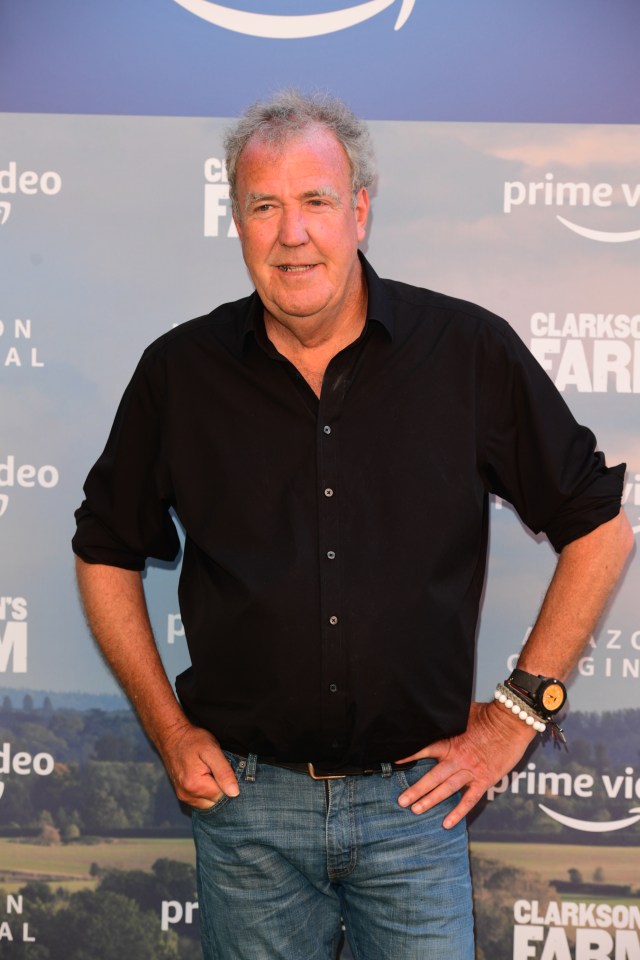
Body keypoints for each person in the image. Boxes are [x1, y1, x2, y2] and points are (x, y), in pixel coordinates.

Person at [73, 90, 633, 959]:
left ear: (360, 211)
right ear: (237, 221)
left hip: (417, 811)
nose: (291, 233)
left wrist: (517, 714)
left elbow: (600, 528)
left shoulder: (467, 352)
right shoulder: (178, 374)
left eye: (316, 202)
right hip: (247, 815)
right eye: (265, 206)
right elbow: (103, 552)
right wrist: (168, 729)